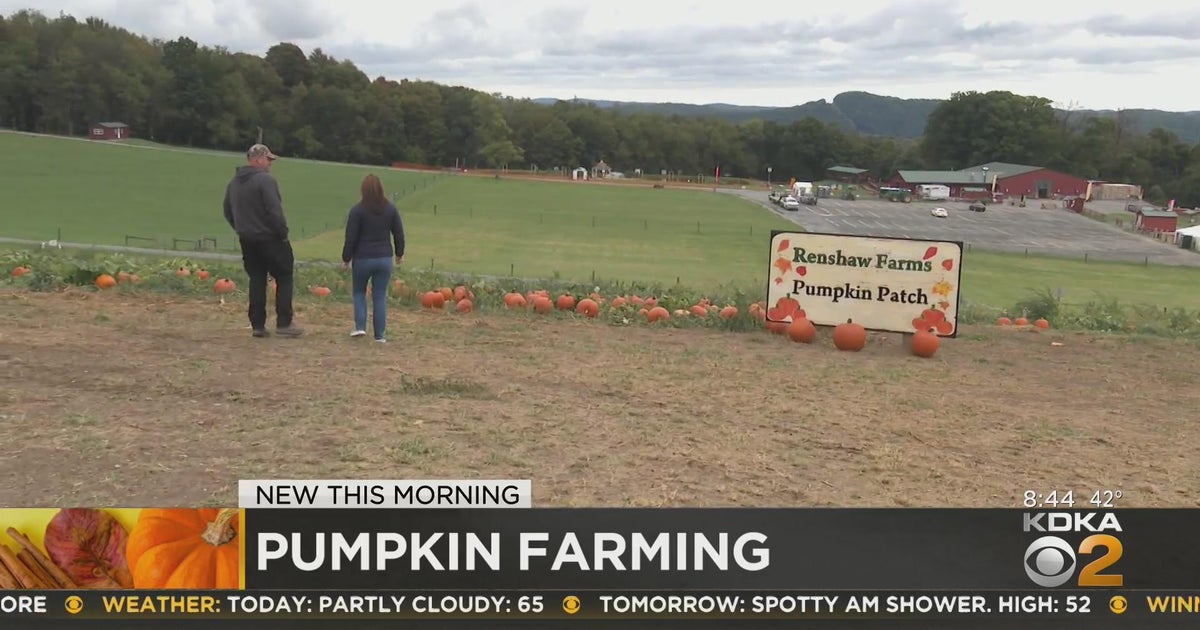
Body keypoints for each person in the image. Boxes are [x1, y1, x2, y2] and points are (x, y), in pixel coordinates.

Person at [222, 143, 303, 338]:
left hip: (247, 239)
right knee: (284, 277)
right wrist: (282, 233)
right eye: (268, 160)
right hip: (270, 238)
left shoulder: (234, 183)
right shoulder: (265, 181)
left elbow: (227, 211)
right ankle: (284, 323)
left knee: (257, 279)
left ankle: (258, 325)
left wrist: (241, 228)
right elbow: (274, 211)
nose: (270, 164)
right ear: (258, 159)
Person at [341, 174, 405, 342]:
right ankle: (380, 335)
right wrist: (399, 253)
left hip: (362, 258)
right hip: (384, 258)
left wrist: (346, 258)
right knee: (380, 295)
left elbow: (351, 237)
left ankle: (360, 327)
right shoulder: (390, 209)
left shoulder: (357, 211)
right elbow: (398, 233)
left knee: (359, 292)